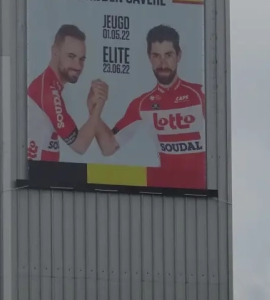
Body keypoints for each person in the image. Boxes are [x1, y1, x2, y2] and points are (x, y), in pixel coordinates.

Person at [89, 24, 206, 188]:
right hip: (169, 193)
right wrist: (94, 110)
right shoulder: (142, 104)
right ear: (149, 57)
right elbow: (108, 148)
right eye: (156, 55)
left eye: (169, 55)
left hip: (203, 194)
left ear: (179, 56)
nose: (162, 63)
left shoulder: (199, 95)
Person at [27, 24, 108, 161]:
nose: (78, 66)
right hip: (36, 178)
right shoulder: (48, 91)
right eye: (71, 56)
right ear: (55, 52)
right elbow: (80, 145)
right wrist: (98, 106)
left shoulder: (49, 86)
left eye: (81, 59)